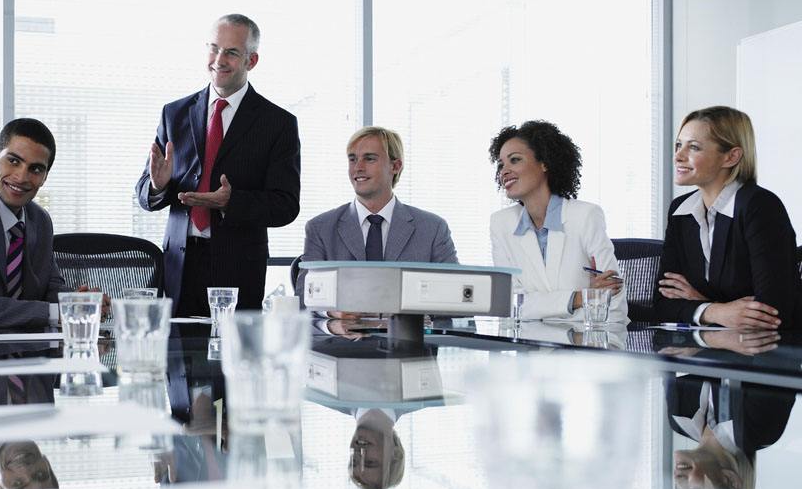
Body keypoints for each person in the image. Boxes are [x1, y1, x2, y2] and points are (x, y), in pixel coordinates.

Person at [135, 13, 301, 316]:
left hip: (238, 269)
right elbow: (145, 194)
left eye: (232, 52)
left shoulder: (278, 123)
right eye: (214, 48)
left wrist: (230, 202)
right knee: (177, 346)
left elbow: (286, 205)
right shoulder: (174, 113)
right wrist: (158, 185)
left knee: (232, 348)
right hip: (179, 266)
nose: (219, 60)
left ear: (252, 61)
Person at [0, 118, 105, 330]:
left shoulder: (40, 220)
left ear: (45, 177)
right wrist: (59, 311)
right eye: (13, 161)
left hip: (29, 346)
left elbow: (50, 288)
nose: (21, 177)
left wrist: (79, 303)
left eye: (35, 169)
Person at [653, 106, 801, 329]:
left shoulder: (759, 206)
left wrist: (700, 303)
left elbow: (770, 311)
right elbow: (663, 304)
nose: (678, 156)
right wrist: (716, 311)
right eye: (678, 145)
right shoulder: (680, 211)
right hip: (707, 345)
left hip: (769, 346)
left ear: (731, 157)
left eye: (693, 147)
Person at [295, 126, 458, 304]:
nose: (358, 167)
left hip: (409, 323)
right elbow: (303, 299)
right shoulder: (320, 228)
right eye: (352, 159)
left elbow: (455, 296)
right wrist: (331, 316)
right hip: (341, 324)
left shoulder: (433, 229)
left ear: (395, 166)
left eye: (369, 159)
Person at [489, 120, 627, 324]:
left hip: (584, 340)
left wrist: (539, 307)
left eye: (515, 160)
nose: (504, 171)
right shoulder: (501, 223)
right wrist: (579, 298)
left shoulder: (585, 216)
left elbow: (614, 304)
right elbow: (509, 304)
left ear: (544, 163)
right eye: (501, 165)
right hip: (531, 340)